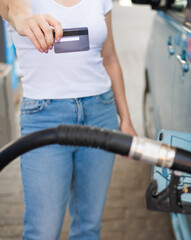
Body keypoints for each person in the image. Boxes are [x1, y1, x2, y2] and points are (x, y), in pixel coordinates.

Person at [1, 0, 137, 239]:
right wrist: (23, 19)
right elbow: (14, 9)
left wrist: (125, 119)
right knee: (42, 232)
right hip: (44, 119)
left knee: (89, 227)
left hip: (100, 114)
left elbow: (110, 58)